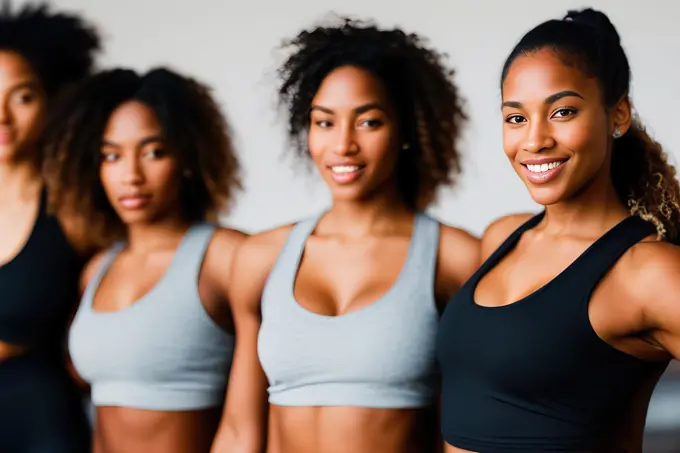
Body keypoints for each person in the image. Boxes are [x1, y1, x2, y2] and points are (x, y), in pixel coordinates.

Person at [211, 17, 480, 453]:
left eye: (369, 122)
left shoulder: (453, 258)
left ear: (407, 131)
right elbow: (241, 432)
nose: (343, 146)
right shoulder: (260, 258)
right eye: (324, 123)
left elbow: (464, 435)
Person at [436, 7, 680, 453]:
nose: (534, 140)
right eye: (516, 118)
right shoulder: (500, 238)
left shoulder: (649, 272)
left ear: (618, 115)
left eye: (562, 111)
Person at [41, 67, 246, 453]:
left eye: (154, 152)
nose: (131, 175)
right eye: (111, 156)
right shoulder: (97, 269)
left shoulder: (225, 256)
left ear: (186, 157)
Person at [0, 2, 100, 452]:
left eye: (21, 96)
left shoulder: (75, 210)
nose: (2, 115)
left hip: (39, 424)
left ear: (52, 100)